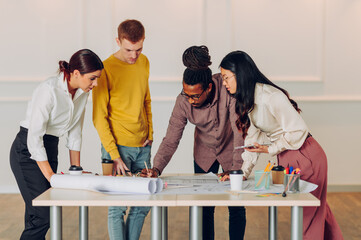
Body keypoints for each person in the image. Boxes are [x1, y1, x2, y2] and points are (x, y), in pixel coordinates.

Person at [220, 50, 344, 240]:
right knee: (319, 209)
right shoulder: (250, 99)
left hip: (306, 154)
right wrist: (243, 173)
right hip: (290, 156)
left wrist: (270, 149)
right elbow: (252, 141)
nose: (224, 83)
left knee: (310, 214)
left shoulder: (271, 96)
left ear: (241, 74)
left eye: (226, 77)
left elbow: (298, 131)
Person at [141, 46, 246, 240]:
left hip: (231, 150)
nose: (189, 100)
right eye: (186, 94)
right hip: (203, 153)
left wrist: (237, 169)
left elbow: (239, 130)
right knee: (204, 206)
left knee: (236, 204)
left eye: (195, 96)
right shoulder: (182, 101)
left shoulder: (227, 89)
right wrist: (156, 168)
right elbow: (171, 139)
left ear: (208, 87)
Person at [10, 49, 103, 240]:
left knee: (36, 214)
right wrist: (51, 176)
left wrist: (75, 169)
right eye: (92, 78)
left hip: (50, 148)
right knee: (44, 212)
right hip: (27, 151)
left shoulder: (82, 93)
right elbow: (34, 138)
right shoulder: (48, 90)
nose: (96, 84)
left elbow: (75, 131)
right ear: (76, 73)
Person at [92, 19, 153, 240]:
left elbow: (146, 100)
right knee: (117, 207)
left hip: (142, 145)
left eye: (138, 49)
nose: (134, 56)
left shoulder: (144, 62)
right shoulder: (105, 68)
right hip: (116, 148)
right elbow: (99, 117)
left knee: (142, 203)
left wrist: (150, 134)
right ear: (118, 41)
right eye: (128, 50)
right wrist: (115, 155)